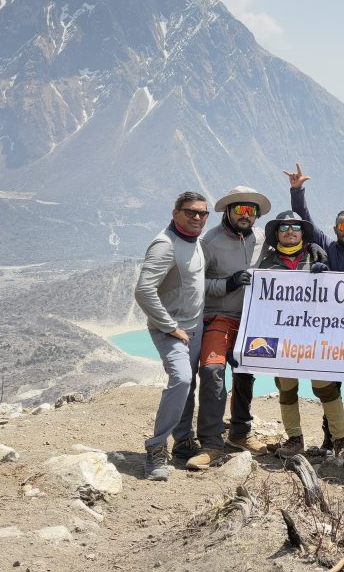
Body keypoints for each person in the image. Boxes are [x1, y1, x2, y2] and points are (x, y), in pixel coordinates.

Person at [285, 163, 344, 453]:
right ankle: (329, 438)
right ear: (336, 229)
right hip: (330, 332)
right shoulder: (328, 246)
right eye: (343, 227)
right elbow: (305, 221)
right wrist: (297, 191)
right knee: (329, 387)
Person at [187, 186, 272, 471]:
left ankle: (240, 433)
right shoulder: (209, 242)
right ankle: (211, 442)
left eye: (252, 210)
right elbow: (196, 285)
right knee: (212, 372)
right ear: (228, 211)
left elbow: (291, 238)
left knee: (245, 374)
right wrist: (228, 284)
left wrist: (313, 247)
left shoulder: (261, 238)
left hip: (251, 320)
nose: (246, 215)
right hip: (219, 317)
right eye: (240, 210)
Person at [257, 210, 344, 462]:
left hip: (314, 335)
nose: (290, 231)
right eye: (285, 227)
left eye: (296, 227)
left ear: (302, 232)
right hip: (281, 337)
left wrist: (326, 275)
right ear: (277, 233)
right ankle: (294, 439)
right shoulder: (266, 263)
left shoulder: (316, 255)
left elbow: (337, 293)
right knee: (286, 388)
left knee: (326, 388)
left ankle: (341, 441)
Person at [134, 191, 209, 481]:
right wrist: (169, 326)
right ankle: (155, 448)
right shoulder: (165, 246)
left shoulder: (195, 240)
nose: (197, 217)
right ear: (175, 212)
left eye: (203, 213)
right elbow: (143, 290)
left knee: (187, 385)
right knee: (182, 379)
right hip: (174, 331)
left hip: (195, 327)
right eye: (191, 212)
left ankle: (184, 440)